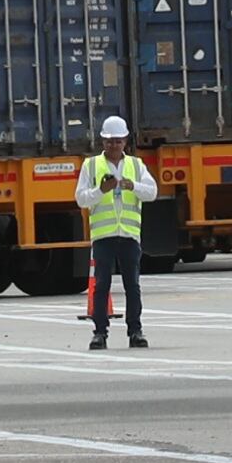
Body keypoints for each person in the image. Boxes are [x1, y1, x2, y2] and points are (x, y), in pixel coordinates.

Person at [77, 115, 157, 352]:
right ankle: (100, 333)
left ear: (125, 141)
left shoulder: (135, 165)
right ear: (103, 141)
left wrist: (133, 186)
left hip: (129, 235)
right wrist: (101, 190)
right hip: (104, 236)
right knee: (102, 285)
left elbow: (152, 192)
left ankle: (135, 331)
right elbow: (81, 198)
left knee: (132, 285)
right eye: (110, 141)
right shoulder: (90, 166)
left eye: (118, 140)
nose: (114, 145)